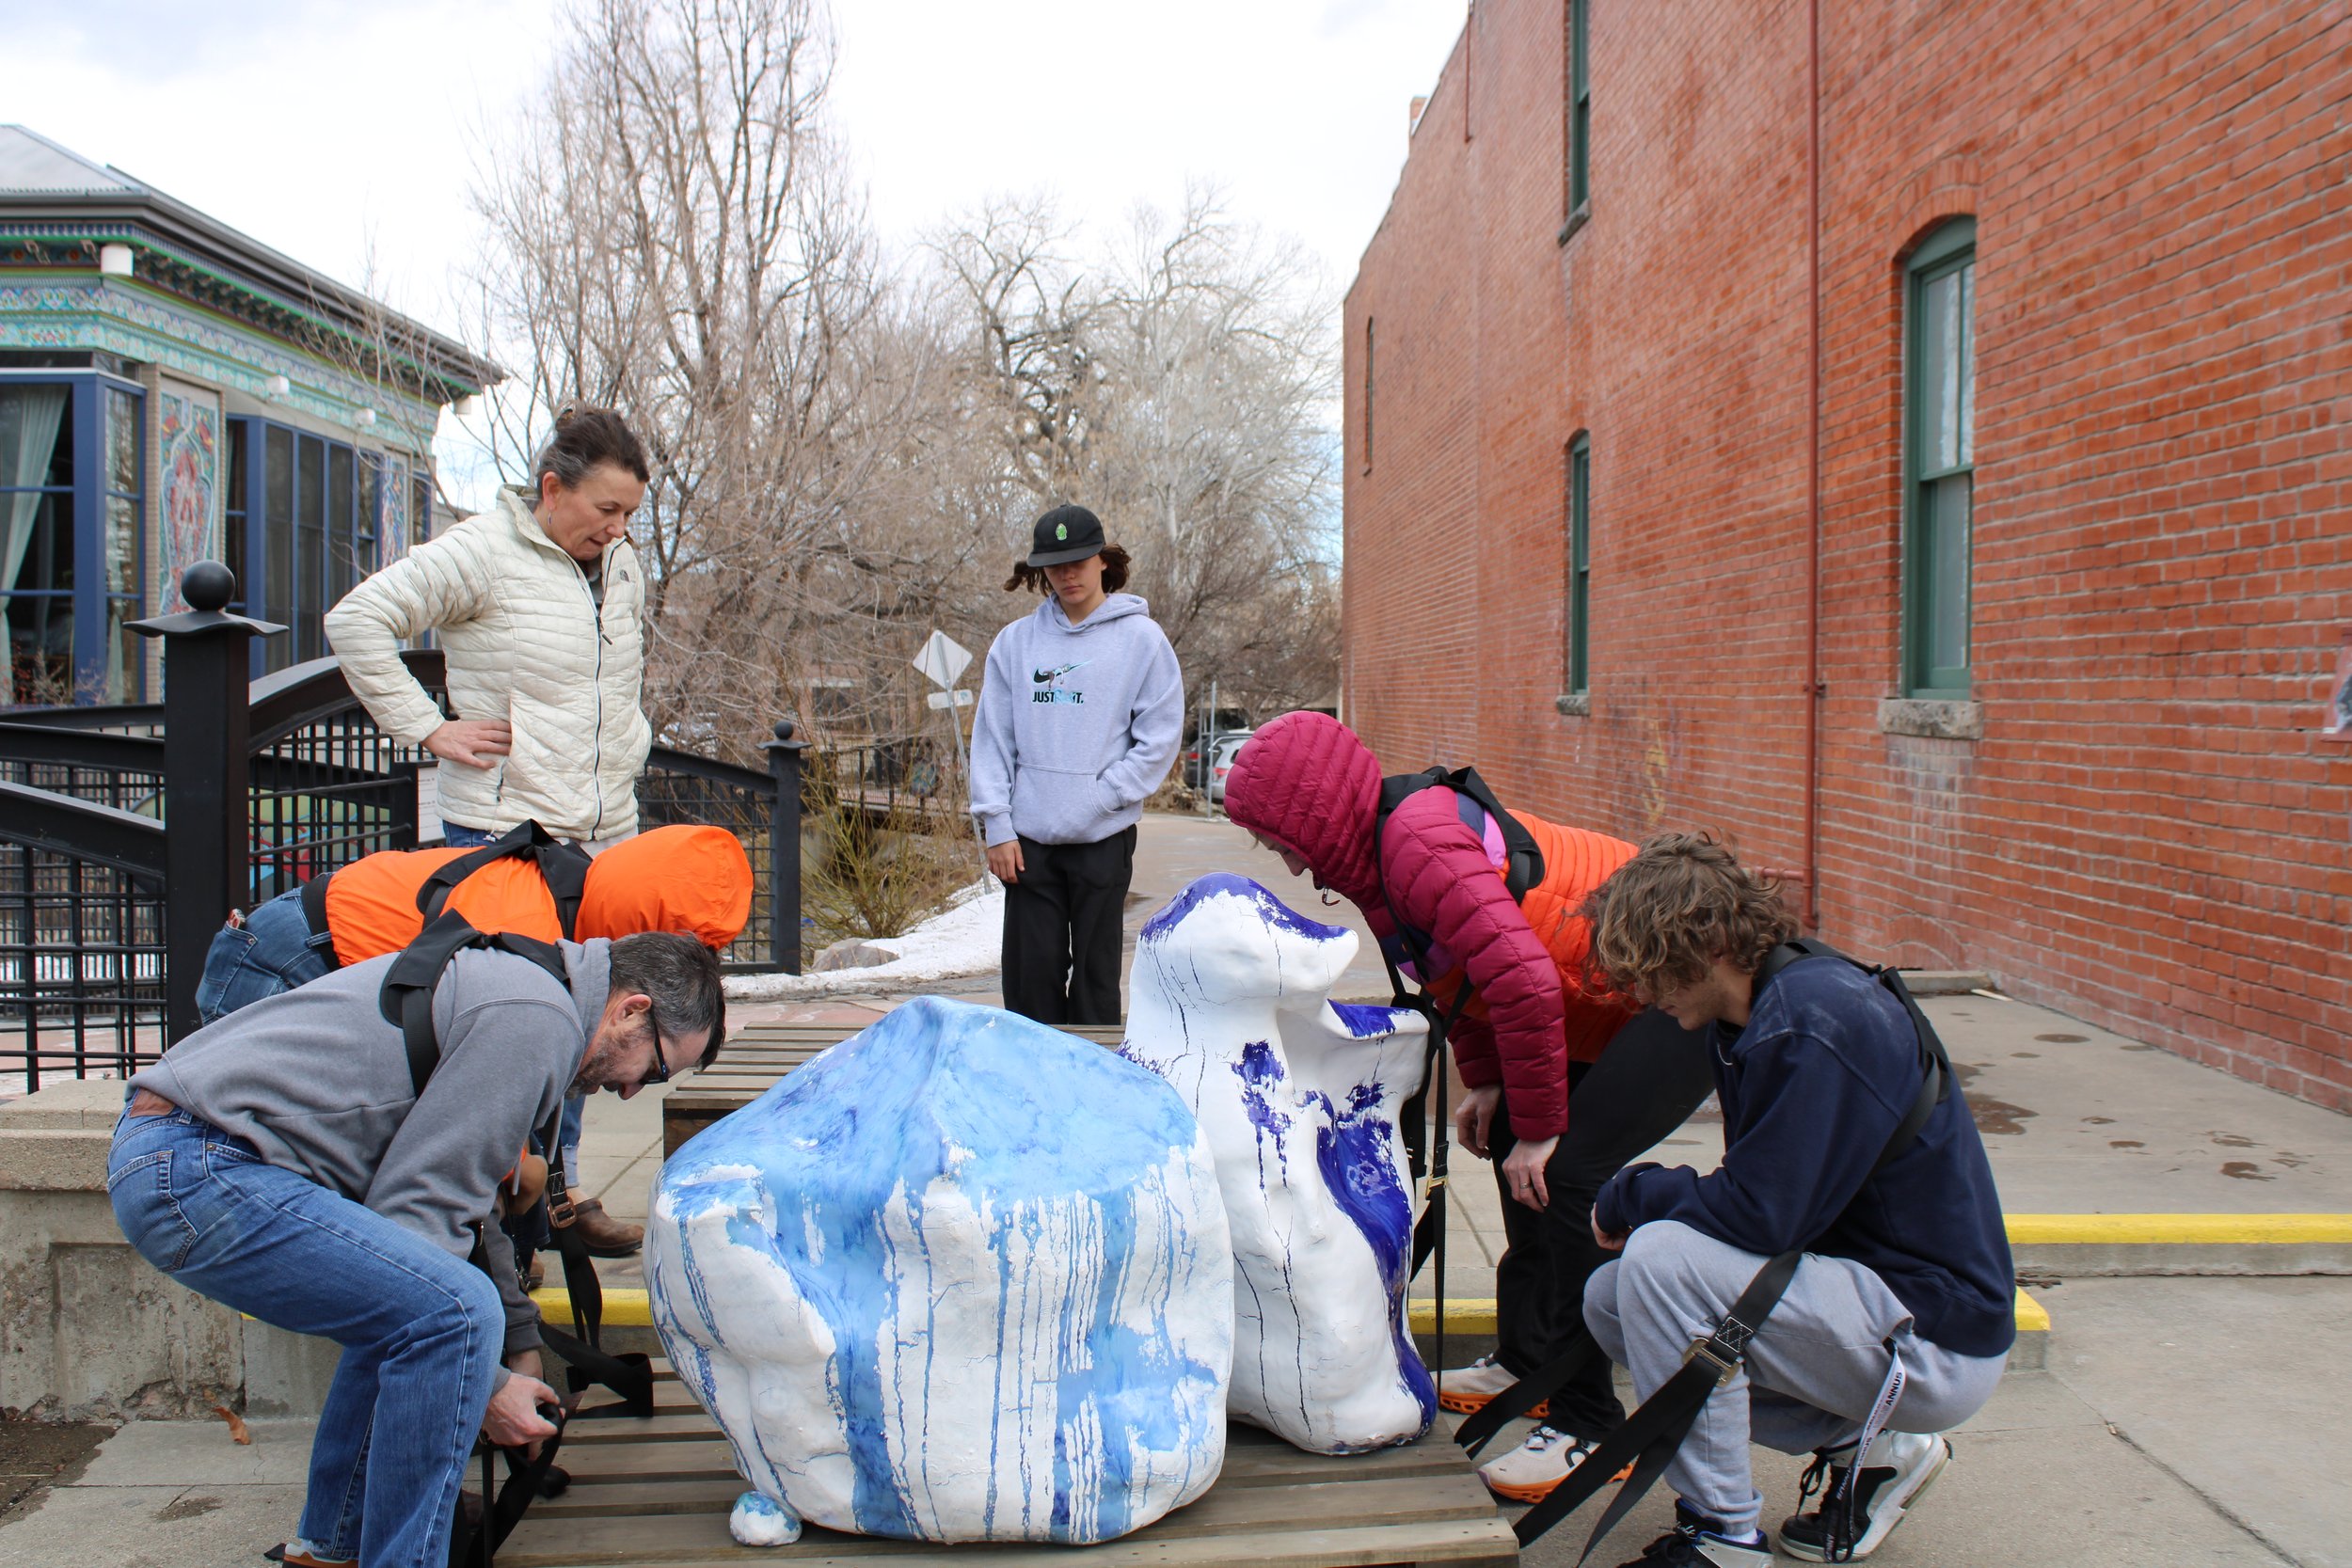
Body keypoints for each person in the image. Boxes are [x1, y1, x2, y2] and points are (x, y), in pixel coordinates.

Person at [109, 930, 725, 1568]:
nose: (632, 1091)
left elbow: (461, 1213)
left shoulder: (533, 994)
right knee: (453, 1314)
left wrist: (515, 1345)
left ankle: (334, 1549)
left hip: (184, 1158)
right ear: (631, 1010)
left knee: (417, 1308)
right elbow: (421, 1217)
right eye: (655, 1069)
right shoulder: (536, 1016)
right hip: (198, 1168)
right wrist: (488, 1385)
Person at [1220, 712, 1715, 1501]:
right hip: (1596, 998)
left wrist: (1544, 1128)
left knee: (1568, 1174)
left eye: (1280, 840)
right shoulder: (1379, 860)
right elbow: (1463, 975)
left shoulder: (1415, 845)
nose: (1285, 860)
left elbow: (1521, 979)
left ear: (1314, 819)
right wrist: (1489, 1082)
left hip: (1680, 983)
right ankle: (1527, 1358)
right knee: (1518, 1140)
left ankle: (1589, 1423)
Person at [1576, 832, 2012, 1567]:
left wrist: (1632, 1193)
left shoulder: (1816, 1018)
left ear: (1711, 943)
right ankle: (1871, 1448)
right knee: (1614, 1301)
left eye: (1654, 967)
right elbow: (1767, 1207)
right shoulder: (1755, 1014)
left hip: (1935, 1334)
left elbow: (1763, 1215)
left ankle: (1722, 1536)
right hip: (1871, 1303)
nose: (1645, 993)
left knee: (1659, 1259)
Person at [327, 405, 657, 1246]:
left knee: (585, 1021)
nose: (619, 529)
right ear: (551, 488)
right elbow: (357, 620)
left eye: (629, 513)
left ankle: (558, 1198)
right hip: (504, 835)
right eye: (606, 509)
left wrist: (628, 750)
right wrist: (428, 728)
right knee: (507, 1027)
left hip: (601, 835)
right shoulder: (482, 551)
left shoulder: (622, 564)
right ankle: (489, 1216)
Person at [190, 821, 750, 1258]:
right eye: (652, 1071)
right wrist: (507, 1191)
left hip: (316, 947)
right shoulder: (524, 936)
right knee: (272, 1169)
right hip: (288, 959)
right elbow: (474, 1115)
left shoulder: (578, 906)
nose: (630, 1090)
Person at [969, 503, 1182, 1025]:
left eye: (1079, 562)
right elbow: (992, 739)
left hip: (1103, 838)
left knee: (1095, 981)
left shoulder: (1142, 641)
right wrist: (996, 824)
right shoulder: (1015, 643)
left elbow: (1158, 738)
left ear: (1103, 560)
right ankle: (1031, 1076)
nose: (1068, 575)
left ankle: (1092, 1076)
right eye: (1055, 566)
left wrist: (1103, 797)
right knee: (1030, 981)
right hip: (1028, 844)